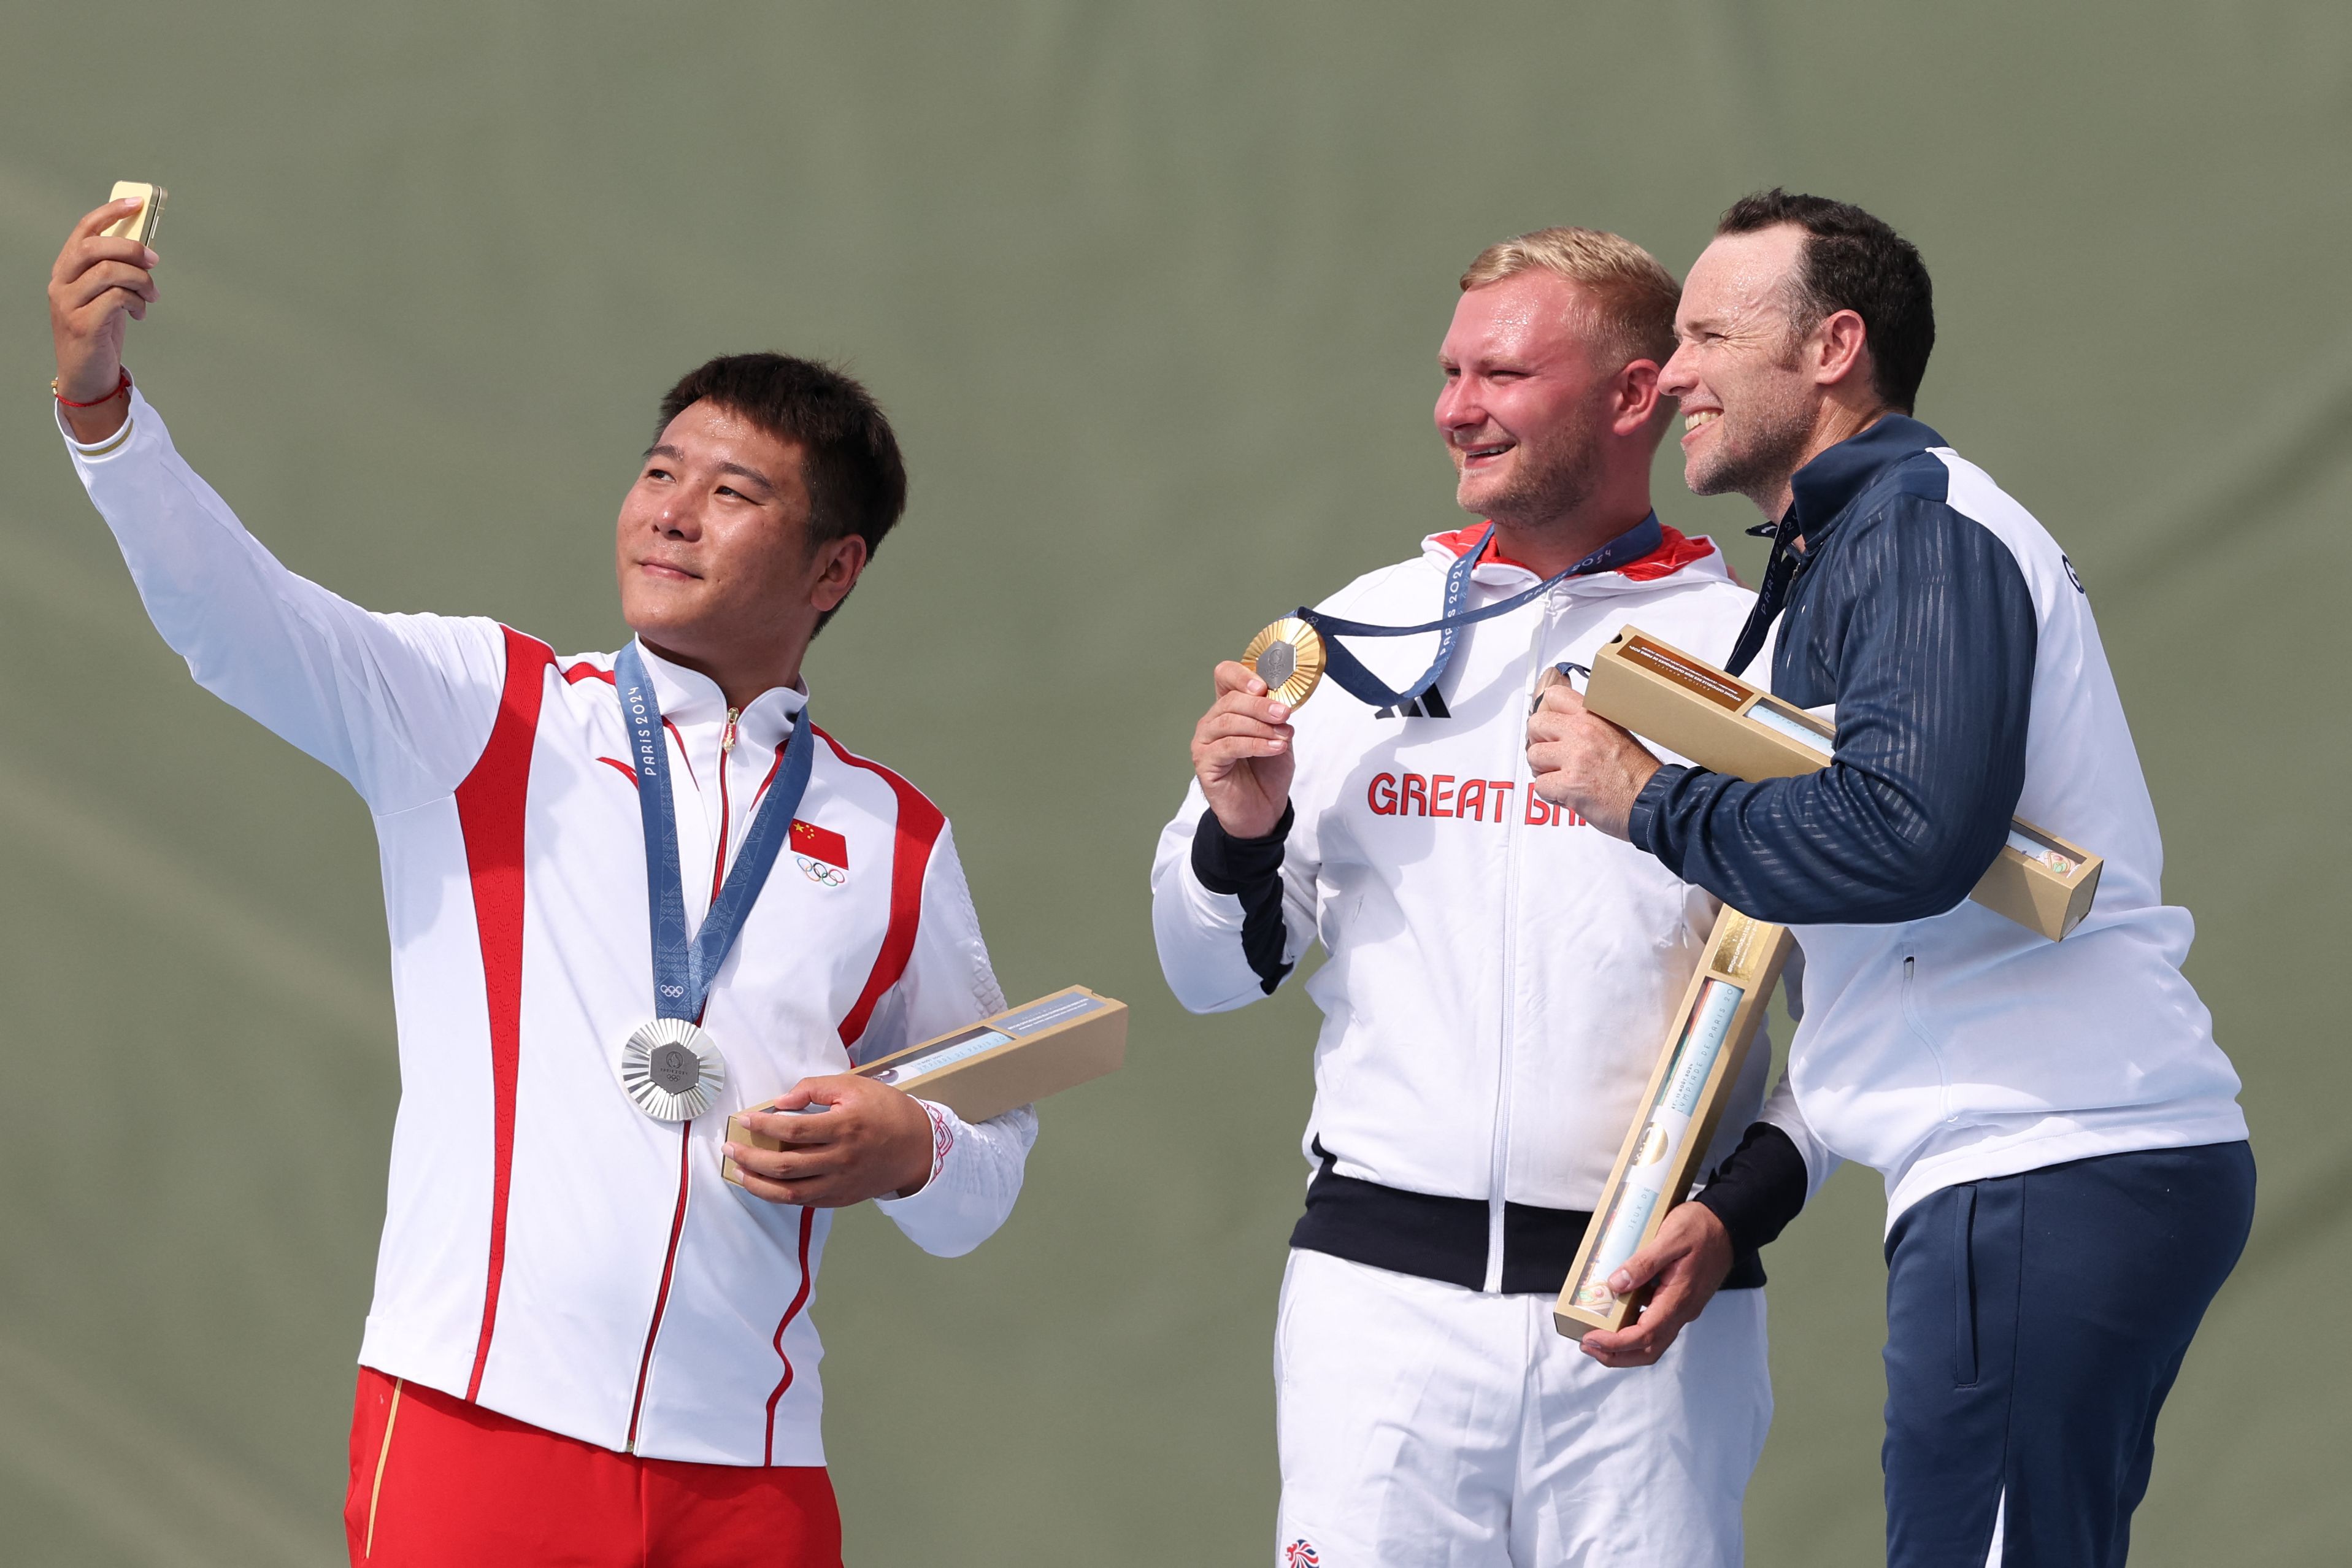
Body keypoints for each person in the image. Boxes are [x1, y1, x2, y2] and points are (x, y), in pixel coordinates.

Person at [47, 196, 1036, 1567]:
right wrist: (102, 412)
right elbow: (233, 613)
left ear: (835, 568)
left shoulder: (897, 839)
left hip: (752, 1478)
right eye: (659, 472)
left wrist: (915, 1148)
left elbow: (994, 1157)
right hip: (475, 1428)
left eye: (732, 493)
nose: (671, 514)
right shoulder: (485, 708)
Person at [1524, 190, 2253, 1567]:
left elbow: (1912, 837)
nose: (1672, 374)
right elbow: (1882, 900)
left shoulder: (1914, 528)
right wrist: (1735, 1200)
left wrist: (1643, 798)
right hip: (2046, 1163)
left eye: (1710, 336)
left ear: (1832, 347)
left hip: (2041, 1159)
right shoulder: (1863, 539)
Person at [1152, 228, 1777, 1567]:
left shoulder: (1754, 648)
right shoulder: (1351, 632)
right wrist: (1240, 831)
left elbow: (1864, 1002)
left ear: (1633, 394)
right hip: (1378, 1314)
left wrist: (1738, 1214)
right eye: (1450, 372)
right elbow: (1208, 975)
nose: (1456, 408)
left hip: (1651, 1315)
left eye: (1502, 374)